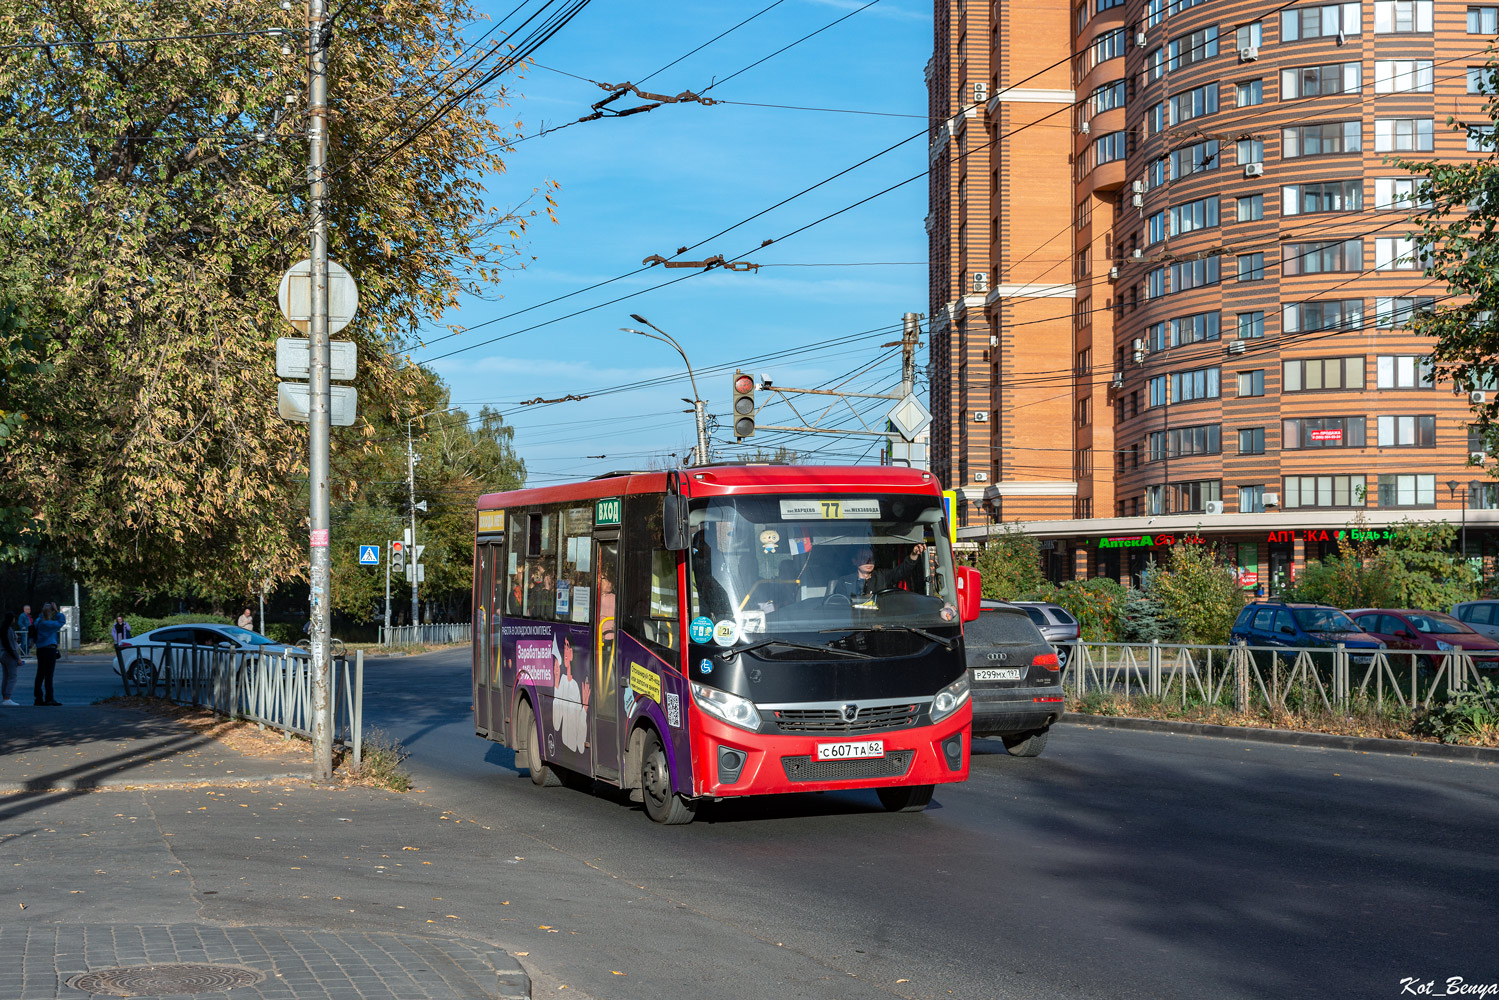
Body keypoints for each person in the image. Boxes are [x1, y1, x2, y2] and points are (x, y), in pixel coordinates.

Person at [827, 543, 928, 601]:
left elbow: (902, 571)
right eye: (864, 558)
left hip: (878, 623)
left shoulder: (882, 576)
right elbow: (840, 607)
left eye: (871, 558)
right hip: (853, 624)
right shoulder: (844, 581)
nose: (869, 561)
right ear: (855, 561)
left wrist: (914, 555)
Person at [551, 634, 590, 754]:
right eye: (565, 646)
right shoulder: (562, 681)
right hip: (564, 749)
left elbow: (580, 745)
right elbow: (556, 724)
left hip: (573, 750)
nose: (566, 651)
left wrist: (584, 709)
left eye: (568, 647)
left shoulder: (576, 686)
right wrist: (556, 684)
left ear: (573, 653)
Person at [32, 603, 64, 706]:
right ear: (51, 612)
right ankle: (49, 698)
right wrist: (57, 612)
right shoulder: (48, 624)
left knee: (40, 674)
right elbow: (61, 622)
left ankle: (38, 698)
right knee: (49, 675)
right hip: (49, 649)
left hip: (40, 649)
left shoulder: (38, 621)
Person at [0, 612, 21, 706]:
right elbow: (11, 646)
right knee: (13, 677)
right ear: (11, 619)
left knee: (5, 676)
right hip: (9, 655)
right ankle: (7, 698)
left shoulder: (3, 628)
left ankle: (4, 697)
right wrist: (17, 658)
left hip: (2, 654)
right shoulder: (9, 630)